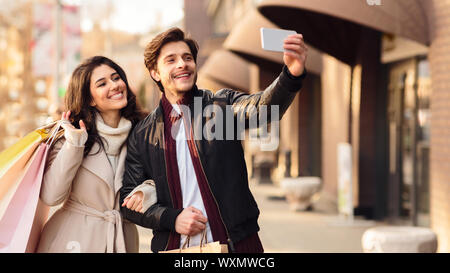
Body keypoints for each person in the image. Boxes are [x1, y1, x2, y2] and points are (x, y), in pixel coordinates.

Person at [120, 27, 307, 253]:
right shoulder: (142, 134)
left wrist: (291, 74)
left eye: (187, 58)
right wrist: (172, 218)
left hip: (236, 244)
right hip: (175, 248)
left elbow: (263, 108)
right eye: (171, 60)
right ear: (155, 73)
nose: (182, 64)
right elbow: (129, 202)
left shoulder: (221, 106)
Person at [37, 56, 147, 253]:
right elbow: (51, 196)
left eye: (116, 78)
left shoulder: (143, 133)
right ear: (89, 99)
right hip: (72, 241)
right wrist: (74, 145)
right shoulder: (70, 136)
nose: (114, 86)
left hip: (121, 238)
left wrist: (148, 191)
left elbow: (157, 180)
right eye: (102, 83)